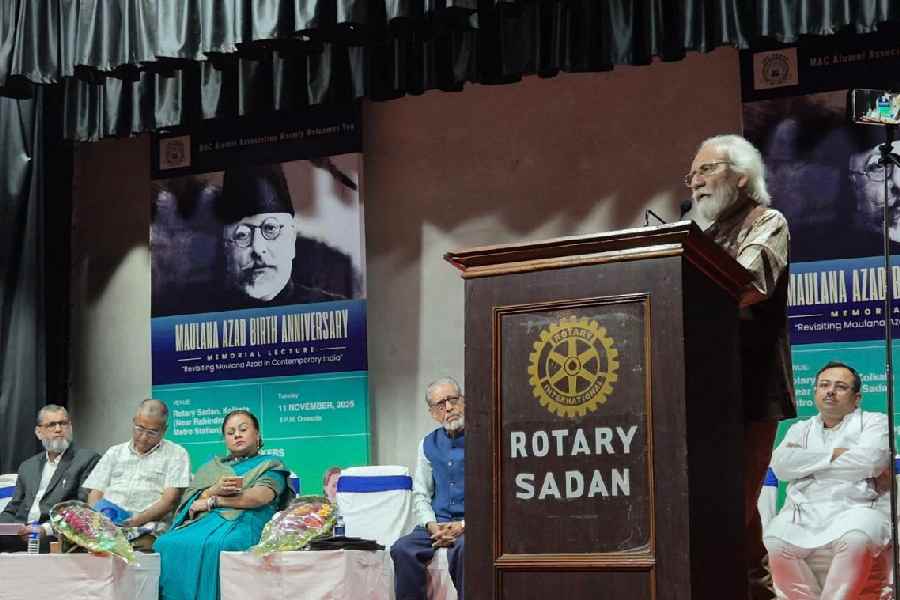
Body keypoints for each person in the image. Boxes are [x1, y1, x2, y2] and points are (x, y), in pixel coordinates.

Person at [685, 134, 796, 599]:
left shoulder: (766, 221)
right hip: (699, 385)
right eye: (692, 175)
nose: (695, 182)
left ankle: (754, 590)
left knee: (735, 505)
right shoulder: (695, 232)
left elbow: (748, 282)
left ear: (742, 175)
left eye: (706, 170)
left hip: (751, 387)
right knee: (714, 506)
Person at [763, 361, 891, 599]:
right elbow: (782, 466)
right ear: (815, 393)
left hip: (858, 507)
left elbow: (870, 462)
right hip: (805, 511)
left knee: (857, 538)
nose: (830, 391)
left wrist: (807, 465)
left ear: (857, 398)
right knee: (775, 541)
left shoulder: (874, 422)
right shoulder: (800, 429)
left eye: (840, 386)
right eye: (824, 385)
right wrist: (834, 454)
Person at [153, 409, 292, 600]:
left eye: (243, 429)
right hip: (205, 522)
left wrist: (214, 500)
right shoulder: (212, 467)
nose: (237, 435)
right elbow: (192, 502)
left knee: (223, 544)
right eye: (230, 432)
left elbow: (259, 497)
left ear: (258, 434)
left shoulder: (271, 464)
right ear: (225, 440)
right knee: (165, 543)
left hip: (248, 520)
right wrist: (213, 490)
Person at [216, 163, 353, 310]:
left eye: (270, 228)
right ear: (226, 248)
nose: (257, 247)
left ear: (292, 239)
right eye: (242, 235)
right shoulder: (203, 317)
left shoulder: (333, 310)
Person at [391, 377, 465, 600]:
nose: (449, 408)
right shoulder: (427, 444)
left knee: (466, 551)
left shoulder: (484, 437)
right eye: (441, 405)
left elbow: (492, 493)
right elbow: (421, 493)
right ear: (433, 413)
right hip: (437, 522)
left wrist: (463, 525)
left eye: (452, 400)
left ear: (464, 401)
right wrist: (432, 526)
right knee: (402, 549)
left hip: (471, 524)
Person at [83, 399, 191, 550]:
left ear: (164, 430)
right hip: (107, 523)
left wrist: (135, 521)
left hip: (147, 525)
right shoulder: (114, 452)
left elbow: (170, 500)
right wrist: (99, 520)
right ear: (134, 422)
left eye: (152, 432)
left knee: (141, 538)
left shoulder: (176, 454)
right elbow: (95, 493)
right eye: (139, 428)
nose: (144, 437)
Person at [0, 405, 100, 552]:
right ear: (39, 432)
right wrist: (4, 526)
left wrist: (45, 529)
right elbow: (13, 508)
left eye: (63, 423)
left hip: (54, 534)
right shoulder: (28, 466)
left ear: (70, 427)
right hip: (21, 531)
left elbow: (81, 509)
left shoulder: (87, 460)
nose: (58, 429)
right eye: (52, 425)